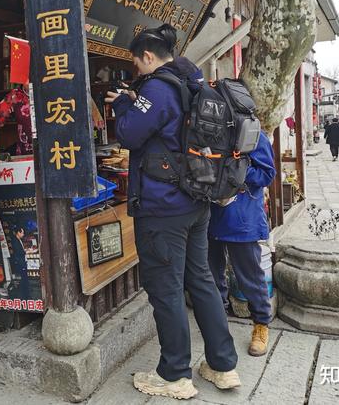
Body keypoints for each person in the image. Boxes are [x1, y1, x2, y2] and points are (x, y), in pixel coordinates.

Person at [105, 24, 239, 400]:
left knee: (165, 289)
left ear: (148, 56)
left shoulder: (158, 89)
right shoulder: (191, 81)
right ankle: (222, 365)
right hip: (196, 202)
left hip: (164, 208)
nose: (136, 69)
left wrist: (121, 104)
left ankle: (174, 373)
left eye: (136, 62)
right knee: (201, 281)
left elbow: (129, 134)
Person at [208, 132, 275, 357]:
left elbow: (267, 173)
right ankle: (218, 325)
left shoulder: (252, 131)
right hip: (208, 214)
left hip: (242, 216)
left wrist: (234, 169)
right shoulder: (203, 127)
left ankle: (261, 325)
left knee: (250, 276)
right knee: (211, 276)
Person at [9, 226, 30, 299]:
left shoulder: (18, 239)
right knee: (24, 279)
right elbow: (18, 252)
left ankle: (25, 294)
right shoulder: (15, 241)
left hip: (22, 261)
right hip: (20, 262)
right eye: (22, 232)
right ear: (18, 232)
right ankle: (25, 296)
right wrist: (26, 251)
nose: (23, 234)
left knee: (24, 278)